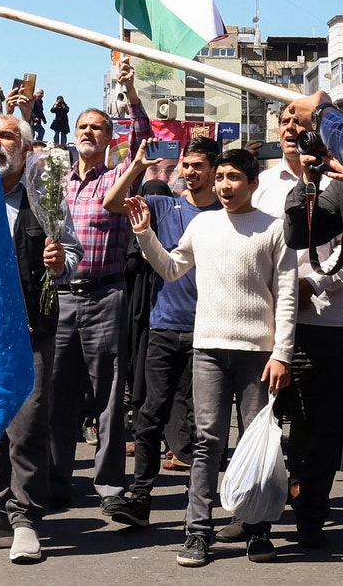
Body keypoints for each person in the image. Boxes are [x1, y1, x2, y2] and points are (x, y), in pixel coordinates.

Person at [125, 148, 295, 567]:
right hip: (208, 350)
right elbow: (170, 268)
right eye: (220, 177)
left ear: (253, 184)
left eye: (234, 177)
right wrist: (146, 234)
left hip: (258, 354)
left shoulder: (275, 230)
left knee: (256, 444)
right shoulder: (202, 224)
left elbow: (287, 297)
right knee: (206, 444)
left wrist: (282, 354)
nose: (223, 185)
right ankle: (197, 532)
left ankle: (257, 529)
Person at [0, 111, 81, 564]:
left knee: (26, 426)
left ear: (26, 150)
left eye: (7, 136)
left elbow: (76, 254)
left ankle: (25, 521)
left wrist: (59, 260)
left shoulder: (44, 200)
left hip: (30, 331)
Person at [46, 58, 150, 513]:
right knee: (58, 394)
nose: (87, 132)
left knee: (109, 393)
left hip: (107, 295)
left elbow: (144, 138)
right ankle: (54, 481)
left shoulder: (118, 177)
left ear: (110, 139)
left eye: (97, 128)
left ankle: (109, 487)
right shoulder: (58, 181)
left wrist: (131, 90)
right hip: (63, 296)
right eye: (83, 127)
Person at [102, 136, 222, 528]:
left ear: (213, 170)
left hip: (209, 331)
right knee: (150, 414)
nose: (189, 171)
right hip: (164, 327)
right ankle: (140, 496)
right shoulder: (162, 205)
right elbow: (112, 204)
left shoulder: (225, 214)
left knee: (202, 423)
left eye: (198, 165)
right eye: (185, 164)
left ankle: (198, 505)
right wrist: (137, 166)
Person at [266, 92, 343, 550]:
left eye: (305, 126)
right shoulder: (262, 183)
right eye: (290, 126)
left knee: (321, 427)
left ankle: (310, 513)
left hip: (328, 323)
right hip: (282, 325)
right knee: (281, 421)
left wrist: (317, 283)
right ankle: (262, 507)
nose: (296, 133)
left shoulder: (337, 180)